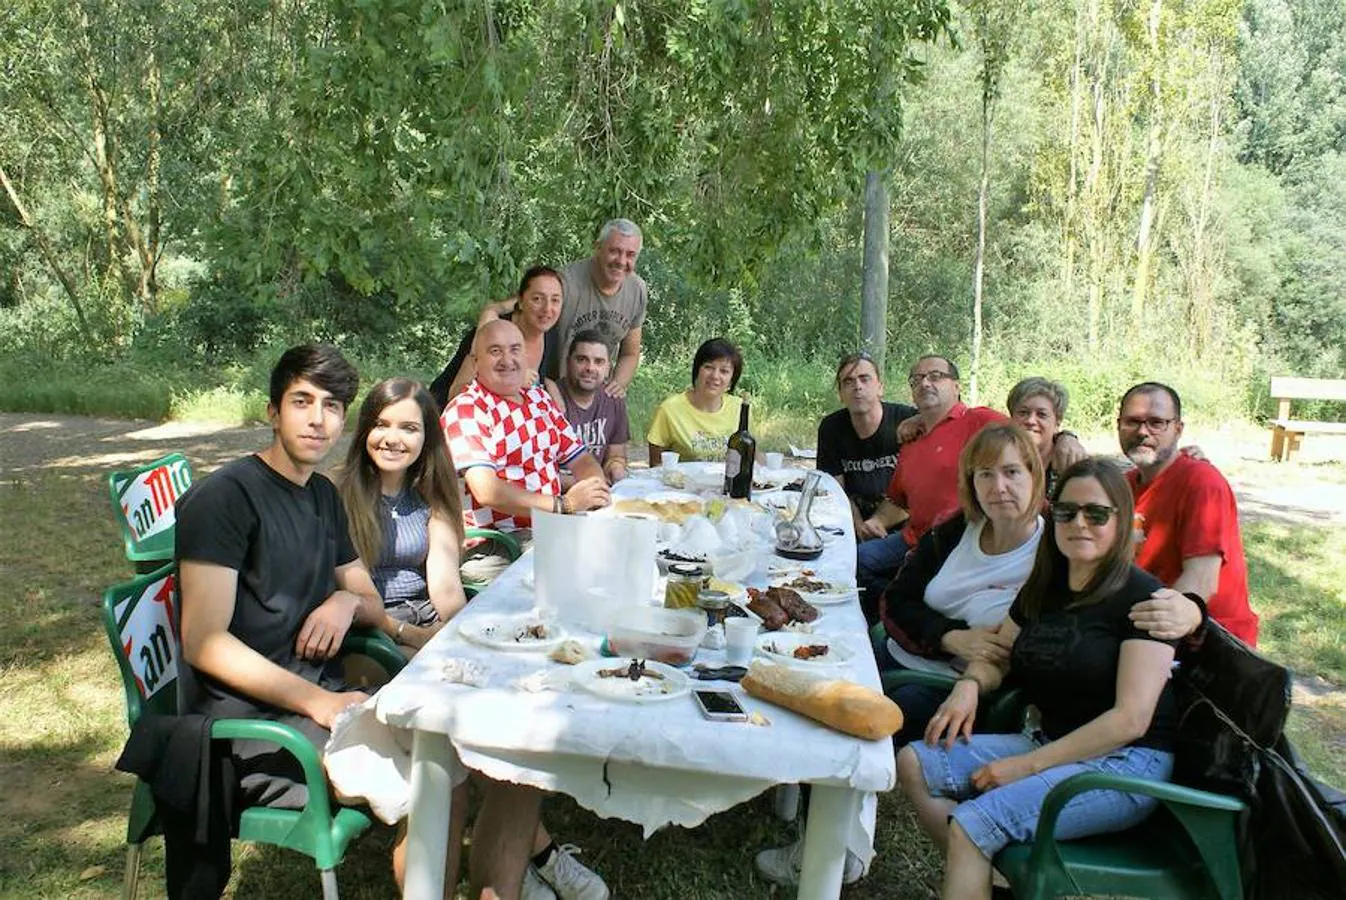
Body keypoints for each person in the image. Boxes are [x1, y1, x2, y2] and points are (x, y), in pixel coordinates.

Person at [175, 345, 540, 898]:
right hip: (251, 727)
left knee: (465, 759)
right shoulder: (224, 499)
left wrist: (346, 603)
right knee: (437, 777)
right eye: (302, 402)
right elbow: (203, 642)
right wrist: (317, 701)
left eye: (332, 405)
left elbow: (361, 589)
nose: (318, 419)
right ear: (272, 411)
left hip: (324, 695)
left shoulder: (320, 495)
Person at [899, 457, 1181, 900]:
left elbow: (1131, 720)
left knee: (975, 824)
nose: (1079, 523)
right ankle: (992, 882)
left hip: (1124, 764)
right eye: (1067, 512)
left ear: (1121, 520)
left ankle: (975, 863)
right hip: (1054, 741)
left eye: (1097, 513)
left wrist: (1024, 767)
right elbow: (998, 653)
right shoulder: (1047, 586)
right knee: (915, 762)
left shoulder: (1142, 599)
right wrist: (969, 686)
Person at [443, 319, 612, 585]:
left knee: (622, 550)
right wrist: (564, 505)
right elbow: (486, 491)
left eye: (515, 349)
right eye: (495, 351)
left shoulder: (539, 399)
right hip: (499, 542)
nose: (507, 360)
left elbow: (580, 456)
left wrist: (594, 486)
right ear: (475, 363)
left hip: (549, 528)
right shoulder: (467, 408)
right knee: (589, 574)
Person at [855, 355, 1005, 621]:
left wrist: (1065, 439)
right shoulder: (912, 439)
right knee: (853, 561)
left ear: (956, 386)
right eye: (917, 379)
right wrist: (878, 520)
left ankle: (904, 612)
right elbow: (899, 500)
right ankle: (891, 615)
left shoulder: (977, 421)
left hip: (957, 544)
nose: (925, 383)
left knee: (904, 588)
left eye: (935, 376)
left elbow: (1031, 437)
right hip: (913, 537)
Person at [1118, 382, 1258, 645]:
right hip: (1146, 625)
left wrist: (1143, 642)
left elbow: (1200, 581)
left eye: (1157, 423)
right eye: (1132, 422)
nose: (1142, 432)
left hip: (1205, 641)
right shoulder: (1123, 487)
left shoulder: (1201, 482)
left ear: (1178, 429)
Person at [337, 378, 470, 652]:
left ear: (426, 437)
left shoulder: (430, 493)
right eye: (381, 425)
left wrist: (461, 632)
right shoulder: (338, 493)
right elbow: (353, 596)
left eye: (409, 428)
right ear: (365, 431)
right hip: (371, 631)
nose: (392, 439)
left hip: (426, 615)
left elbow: (446, 587)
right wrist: (411, 635)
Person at [429, 266, 565, 409]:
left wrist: (552, 389)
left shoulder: (550, 336)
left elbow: (538, 379)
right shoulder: (493, 330)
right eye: (537, 299)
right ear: (520, 300)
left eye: (555, 300)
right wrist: (515, 380)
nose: (547, 308)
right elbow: (457, 394)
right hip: (449, 417)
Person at [816, 351, 917, 541]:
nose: (857, 387)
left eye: (864, 379)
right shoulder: (831, 428)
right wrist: (858, 527)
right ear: (840, 394)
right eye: (848, 381)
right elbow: (835, 491)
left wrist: (879, 523)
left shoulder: (907, 421)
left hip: (904, 523)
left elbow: (920, 488)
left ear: (880, 387)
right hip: (851, 522)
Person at [544, 218, 648, 397]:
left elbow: (630, 352)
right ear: (597, 248)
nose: (622, 261)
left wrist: (617, 384)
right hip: (555, 394)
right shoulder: (565, 283)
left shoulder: (637, 289)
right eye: (615, 251)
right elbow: (529, 326)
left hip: (597, 399)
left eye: (630, 255)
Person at [646, 337, 745, 463]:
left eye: (724, 371)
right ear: (697, 370)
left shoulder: (740, 408)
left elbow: (752, 456)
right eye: (708, 367)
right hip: (681, 482)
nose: (715, 376)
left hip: (727, 482)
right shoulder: (670, 409)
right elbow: (656, 465)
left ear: (732, 380)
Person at [557, 330, 631, 483]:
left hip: (598, 492)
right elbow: (539, 472)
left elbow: (616, 455)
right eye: (582, 359)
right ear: (568, 362)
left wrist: (615, 468)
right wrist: (590, 483)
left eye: (598, 362)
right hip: (558, 498)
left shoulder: (614, 400)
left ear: (608, 368)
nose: (590, 368)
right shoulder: (549, 399)